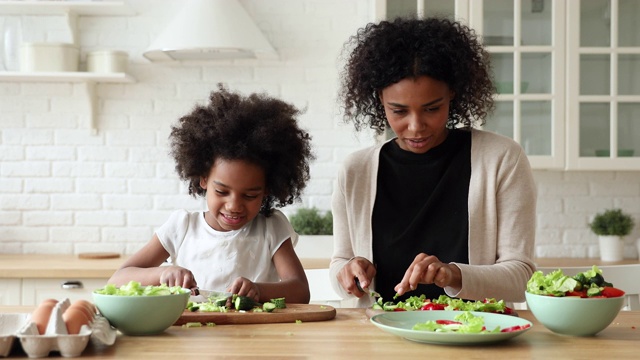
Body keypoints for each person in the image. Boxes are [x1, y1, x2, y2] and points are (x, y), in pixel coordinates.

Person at [330, 17, 537, 308]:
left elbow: (522, 279)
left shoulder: (501, 159)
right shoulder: (355, 171)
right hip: (378, 338)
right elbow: (340, 261)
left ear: (452, 93)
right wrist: (348, 269)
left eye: (432, 108)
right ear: (379, 100)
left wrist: (452, 275)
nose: (416, 126)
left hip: (475, 336)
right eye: (399, 111)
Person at [109, 85, 313, 304]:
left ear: (267, 189)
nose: (234, 205)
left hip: (254, 336)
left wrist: (258, 291)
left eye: (250, 195)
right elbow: (118, 279)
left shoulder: (271, 228)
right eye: (222, 191)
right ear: (203, 178)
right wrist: (162, 274)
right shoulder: (182, 226)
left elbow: (301, 291)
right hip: (191, 336)